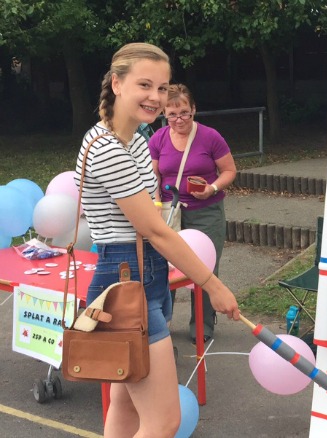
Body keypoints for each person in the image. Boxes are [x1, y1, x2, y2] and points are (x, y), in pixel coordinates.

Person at [75, 42, 240, 437]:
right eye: (145, 85)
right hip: (125, 277)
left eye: (163, 88)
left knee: (125, 408)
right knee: (165, 422)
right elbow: (154, 229)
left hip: (143, 273)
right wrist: (212, 285)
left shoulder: (135, 140)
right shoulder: (108, 147)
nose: (156, 96)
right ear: (116, 83)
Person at [148, 84, 237, 343]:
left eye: (184, 113)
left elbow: (230, 171)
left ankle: (203, 324)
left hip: (206, 211)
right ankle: (162, 321)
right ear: (164, 113)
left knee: (204, 266)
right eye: (172, 114)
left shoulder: (210, 137)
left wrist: (211, 188)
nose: (179, 120)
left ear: (194, 109)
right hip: (169, 210)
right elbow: (153, 174)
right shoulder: (158, 138)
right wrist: (155, 202)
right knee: (167, 266)